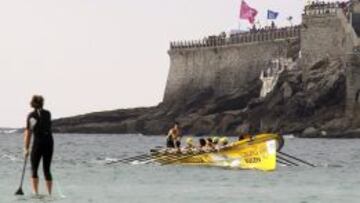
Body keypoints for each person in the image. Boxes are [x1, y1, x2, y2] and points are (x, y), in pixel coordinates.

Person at [24, 95, 54, 195]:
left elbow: (29, 133)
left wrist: (26, 148)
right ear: (42, 103)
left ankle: (35, 194)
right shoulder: (48, 113)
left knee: (34, 169)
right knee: (47, 169)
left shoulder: (31, 116)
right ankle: (49, 194)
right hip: (49, 142)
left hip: (39, 142)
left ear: (32, 103)